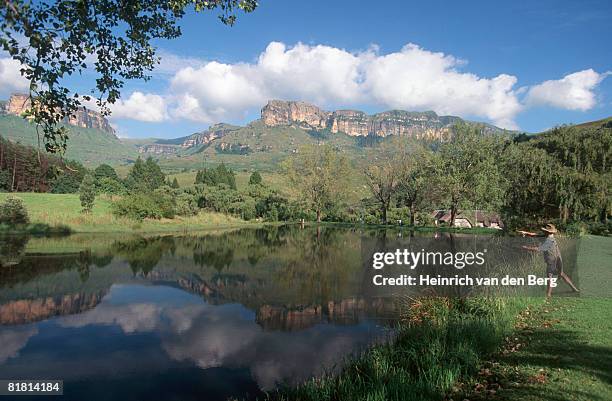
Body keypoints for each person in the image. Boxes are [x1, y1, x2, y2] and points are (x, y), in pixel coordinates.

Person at [521, 223, 580, 297]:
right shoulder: (548, 236)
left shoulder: (549, 240)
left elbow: (539, 249)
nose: (543, 232)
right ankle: (574, 289)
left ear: (547, 232)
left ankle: (548, 294)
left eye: (545, 231)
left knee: (550, 276)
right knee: (561, 274)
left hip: (552, 260)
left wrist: (526, 248)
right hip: (557, 258)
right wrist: (526, 233)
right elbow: (535, 235)